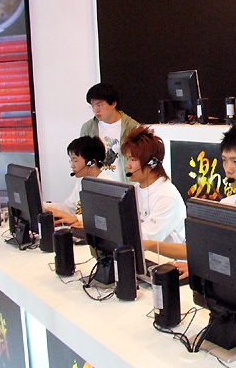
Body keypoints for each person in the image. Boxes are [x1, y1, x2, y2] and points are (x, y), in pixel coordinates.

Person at [122, 125, 187, 260]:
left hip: (167, 262)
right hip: (145, 258)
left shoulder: (167, 195)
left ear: (151, 163)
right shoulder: (134, 190)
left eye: (133, 159)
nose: (127, 165)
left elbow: (145, 238)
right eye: (127, 159)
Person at [44, 136, 112, 228]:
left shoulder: (107, 185)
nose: (72, 166)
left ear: (91, 163)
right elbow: (68, 208)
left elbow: (103, 219)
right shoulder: (82, 181)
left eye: (75, 161)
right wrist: (43, 206)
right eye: (71, 161)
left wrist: (76, 218)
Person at [80, 83, 139, 182]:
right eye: (92, 106)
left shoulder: (132, 128)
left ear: (113, 104)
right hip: (98, 185)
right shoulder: (88, 128)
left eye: (99, 105)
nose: (95, 110)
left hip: (125, 184)